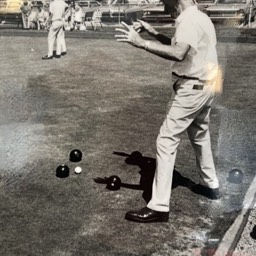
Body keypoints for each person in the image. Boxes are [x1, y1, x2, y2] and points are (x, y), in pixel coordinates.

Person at [115, 0, 223, 223]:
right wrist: (154, 33)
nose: (165, 5)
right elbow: (181, 45)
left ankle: (159, 206)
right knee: (200, 135)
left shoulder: (190, 20)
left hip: (192, 88)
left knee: (166, 140)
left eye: (167, 1)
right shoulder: (198, 16)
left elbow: (178, 53)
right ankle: (211, 185)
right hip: (207, 85)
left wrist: (141, 42)